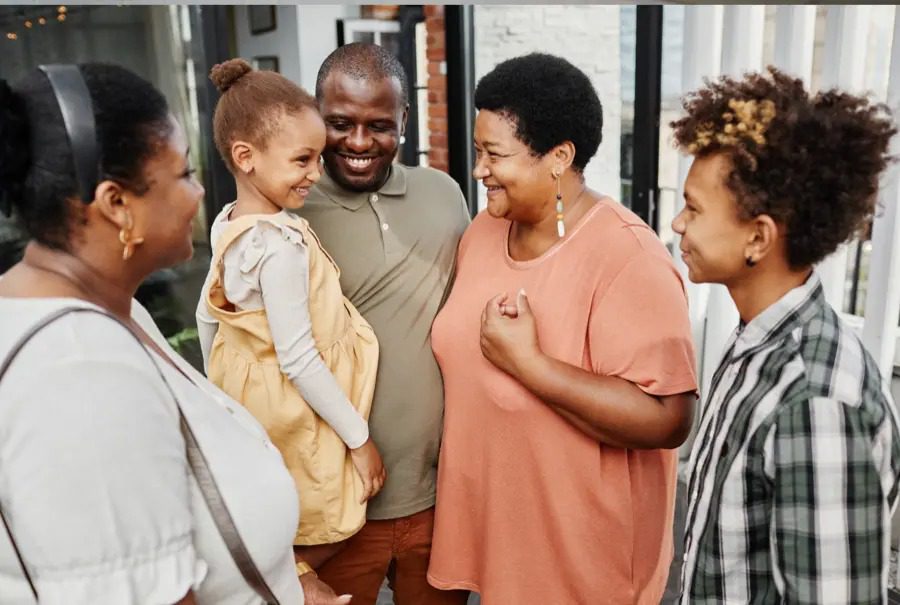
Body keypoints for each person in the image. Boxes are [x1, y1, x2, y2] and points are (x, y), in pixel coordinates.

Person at [0, 63, 302, 603]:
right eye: (183, 173)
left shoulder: (112, 314)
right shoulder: (79, 372)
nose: (198, 191)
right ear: (117, 203)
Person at [426, 52, 699, 605]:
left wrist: (531, 366)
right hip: (499, 539)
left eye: (494, 154)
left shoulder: (627, 256)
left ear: (559, 158)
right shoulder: (481, 232)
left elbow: (668, 419)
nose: (478, 169)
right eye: (478, 150)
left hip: (581, 561)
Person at [673, 67, 900, 603]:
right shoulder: (758, 342)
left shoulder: (816, 401)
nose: (679, 224)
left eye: (695, 208)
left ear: (758, 237)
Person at [195, 58, 383, 605]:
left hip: (255, 396)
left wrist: (220, 389)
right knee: (329, 508)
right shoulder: (278, 246)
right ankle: (295, 579)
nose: (315, 174)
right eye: (302, 160)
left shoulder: (230, 221)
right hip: (297, 406)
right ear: (245, 158)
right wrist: (360, 439)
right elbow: (298, 357)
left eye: (317, 158)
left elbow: (210, 313)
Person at [296, 42, 471, 605]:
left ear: (404, 120)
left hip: (440, 498)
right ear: (314, 116)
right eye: (339, 124)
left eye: (380, 125)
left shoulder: (444, 196)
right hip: (337, 513)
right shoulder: (287, 214)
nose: (359, 143)